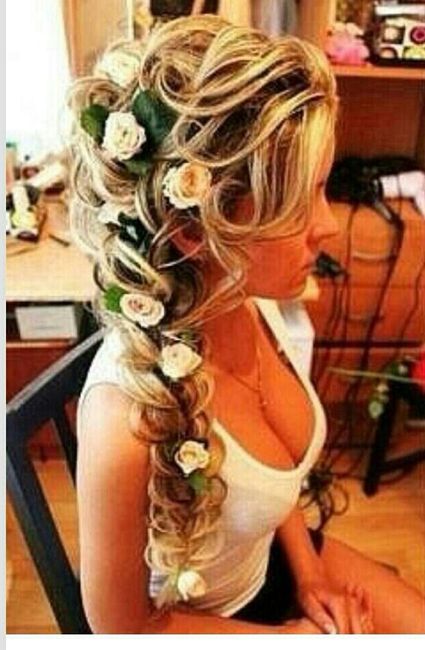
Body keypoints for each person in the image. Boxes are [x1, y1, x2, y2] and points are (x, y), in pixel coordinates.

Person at [69, 14, 425, 634]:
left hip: (278, 564)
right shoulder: (124, 421)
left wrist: (310, 573)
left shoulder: (248, 300)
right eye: (298, 204)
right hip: (194, 622)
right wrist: (288, 640)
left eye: (321, 189)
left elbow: (271, 482)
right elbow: (123, 627)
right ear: (194, 230)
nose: (328, 226)